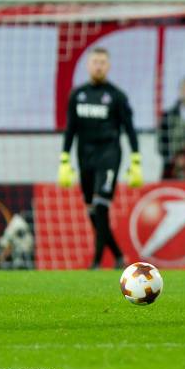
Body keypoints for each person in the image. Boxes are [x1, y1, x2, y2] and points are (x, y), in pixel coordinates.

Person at [58, 47, 143, 270]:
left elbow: (130, 128)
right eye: (95, 61)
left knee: (101, 206)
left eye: (102, 62)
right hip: (85, 157)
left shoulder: (117, 95)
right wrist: (64, 158)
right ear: (88, 65)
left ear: (108, 65)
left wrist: (136, 158)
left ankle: (96, 261)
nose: (98, 65)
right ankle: (116, 254)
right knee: (92, 210)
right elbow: (70, 129)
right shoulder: (78, 94)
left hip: (109, 155)